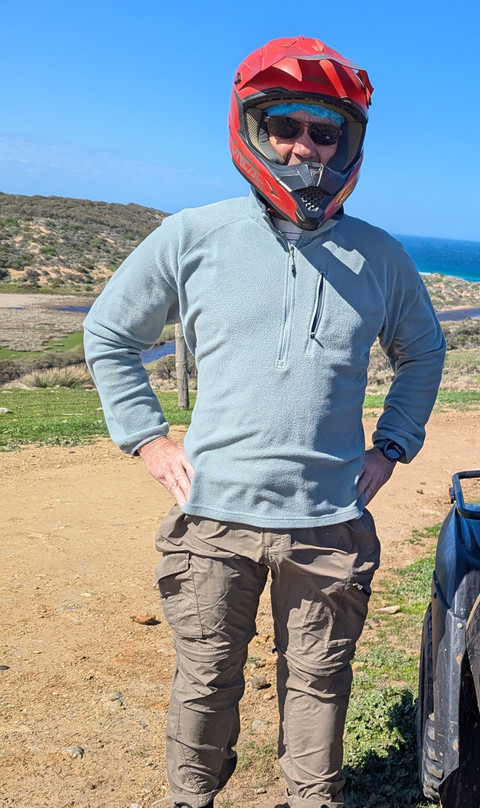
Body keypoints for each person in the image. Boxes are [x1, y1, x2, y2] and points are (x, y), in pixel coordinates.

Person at [83, 37, 446, 808]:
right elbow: (109, 333)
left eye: (325, 132)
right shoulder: (192, 235)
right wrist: (148, 437)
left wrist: (391, 445)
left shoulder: (380, 256)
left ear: (349, 144)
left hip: (329, 523)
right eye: (285, 124)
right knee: (207, 677)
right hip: (214, 517)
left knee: (318, 683)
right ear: (251, 127)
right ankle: (193, 799)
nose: (303, 147)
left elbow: (423, 352)